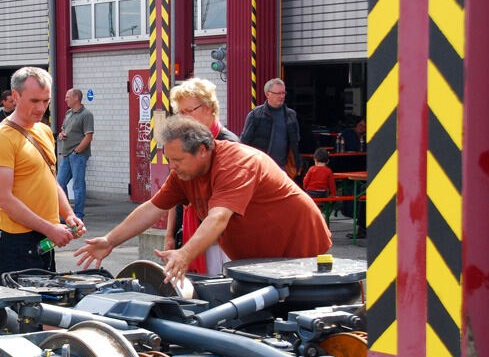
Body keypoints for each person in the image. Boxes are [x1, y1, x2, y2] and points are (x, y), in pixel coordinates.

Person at [74, 116, 331, 284]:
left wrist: (185, 254)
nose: (172, 167)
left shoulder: (236, 163)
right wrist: (110, 240)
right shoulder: (185, 172)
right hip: (256, 259)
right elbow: (153, 208)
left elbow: (218, 217)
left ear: (203, 150)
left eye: (177, 160)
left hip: (297, 246)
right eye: (169, 160)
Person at [0, 67, 85, 284]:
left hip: (44, 237)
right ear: (15, 96)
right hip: (16, 241)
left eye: (46, 101)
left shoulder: (44, 130)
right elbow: (4, 199)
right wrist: (50, 228)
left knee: (46, 308)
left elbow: (51, 180)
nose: (41, 108)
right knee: (25, 313)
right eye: (34, 101)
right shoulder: (2, 137)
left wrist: (68, 215)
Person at [163, 77, 238, 276]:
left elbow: (224, 211)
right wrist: (169, 233)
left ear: (209, 108)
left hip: (218, 239)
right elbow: (172, 192)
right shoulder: (184, 143)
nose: (184, 118)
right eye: (180, 113)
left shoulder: (228, 145)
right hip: (188, 228)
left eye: (189, 111)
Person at [241, 78, 302, 175]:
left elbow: (295, 142)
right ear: (268, 94)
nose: (282, 96)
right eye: (278, 93)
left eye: (283, 93)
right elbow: (244, 143)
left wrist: (297, 164)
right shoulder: (255, 115)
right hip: (261, 169)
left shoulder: (291, 115)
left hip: (283, 169)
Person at [56, 88, 94, 220]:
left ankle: (78, 215)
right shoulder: (68, 113)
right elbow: (63, 129)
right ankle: (65, 213)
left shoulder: (86, 115)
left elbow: (88, 136)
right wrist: (62, 134)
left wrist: (77, 151)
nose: (65, 99)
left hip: (77, 155)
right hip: (66, 154)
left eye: (68, 97)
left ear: (76, 98)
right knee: (59, 183)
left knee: (78, 185)